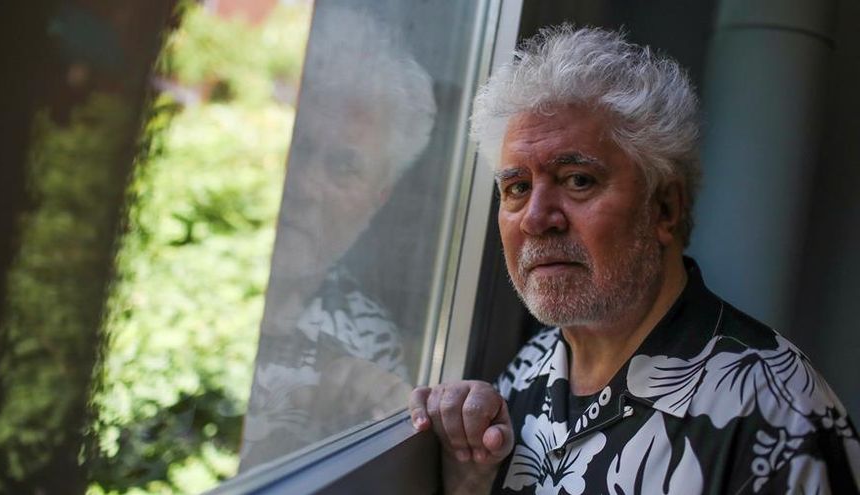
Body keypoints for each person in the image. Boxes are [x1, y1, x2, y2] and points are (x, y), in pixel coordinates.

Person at [409, 24, 860, 494]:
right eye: (518, 187)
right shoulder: (527, 371)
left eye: (578, 180)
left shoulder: (780, 414)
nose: (536, 219)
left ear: (664, 209)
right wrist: (469, 476)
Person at [240, 6, 436, 470]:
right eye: (300, 147)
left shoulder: (369, 338)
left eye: (344, 167)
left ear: (375, 202)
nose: (306, 186)